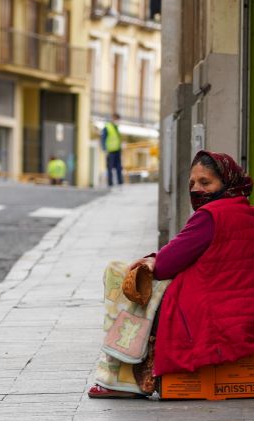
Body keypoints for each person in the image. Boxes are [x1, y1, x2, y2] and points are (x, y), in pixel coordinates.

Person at [89, 150, 254, 398]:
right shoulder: (246, 213)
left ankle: (123, 378)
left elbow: (166, 264)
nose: (197, 189)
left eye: (205, 182)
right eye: (193, 183)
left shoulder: (210, 216)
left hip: (206, 315)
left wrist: (151, 261)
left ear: (227, 182)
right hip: (241, 314)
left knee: (122, 274)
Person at [101, 114, 123, 187]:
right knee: (110, 168)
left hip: (117, 150)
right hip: (110, 151)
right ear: (113, 119)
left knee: (119, 167)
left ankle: (120, 182)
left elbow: (117, 139)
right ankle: (110, 183)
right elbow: (103, 139)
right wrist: (104, 149)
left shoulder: (116, 127)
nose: (118, 121)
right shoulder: (107, 127)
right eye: (117, 120)